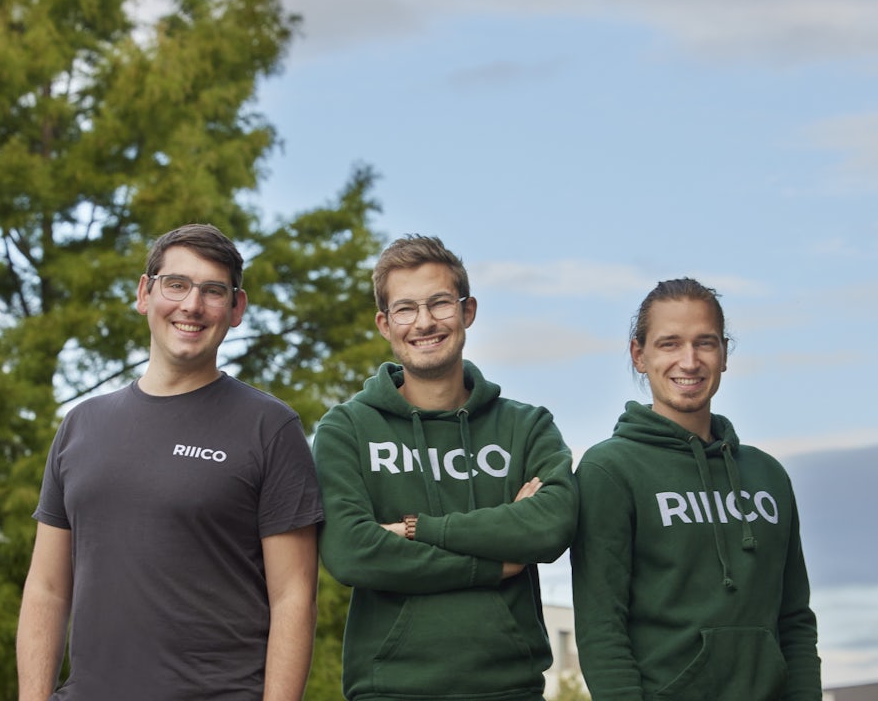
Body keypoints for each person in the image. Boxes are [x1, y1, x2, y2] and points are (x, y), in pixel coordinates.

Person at [16, 224, 321, 701]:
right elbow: (48, 588)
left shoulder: (270, 428)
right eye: (176, 284)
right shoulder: (81, 425)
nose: (192, 305)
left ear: (236, 308)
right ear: (145, 293)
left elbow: (294, 598)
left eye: (213, 291)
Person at [312, 234, 578, 701]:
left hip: (509, 687)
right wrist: (498, 562)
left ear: (467, 311)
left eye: (440, 304)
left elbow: (550, 527)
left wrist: (415, 529)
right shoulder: (346, 428)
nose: (425, 322)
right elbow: (350, 550)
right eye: (406, 309)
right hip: (389, 688)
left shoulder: (526, 426)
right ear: (384, 323)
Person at [571, 278, 821, 701]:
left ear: (724, 354)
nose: (689, 361)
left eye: (704, 343)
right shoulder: (609, 470)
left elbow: (794, 618)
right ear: (639, 355)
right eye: (669, 344)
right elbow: (602, 627)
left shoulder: (767, 475)